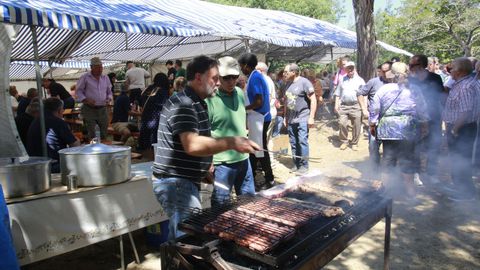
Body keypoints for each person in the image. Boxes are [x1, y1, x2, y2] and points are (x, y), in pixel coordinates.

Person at [152, 55, 260, 240]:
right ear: (198, 77)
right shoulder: (184, 103)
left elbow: (189, 145)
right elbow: (192, 144)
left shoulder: (197, 102)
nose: (218, 83)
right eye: (215, 78)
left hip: (184, 181)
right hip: (176, 184)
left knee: (182, 241)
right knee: (187, 242)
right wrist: (233, 142)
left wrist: (202, 168)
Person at [369, 62, 429, 198]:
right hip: (409, 129)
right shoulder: (414, 89)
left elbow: (374, 109)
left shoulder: (383, 89)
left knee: (388, 159)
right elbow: (422, 109)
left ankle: (385, 192)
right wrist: (425, 125)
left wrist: (372, 125)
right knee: (408, 158)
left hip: (388, 130)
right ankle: (410, 192)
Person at [206, 56, 255, 204]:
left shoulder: (240, 93)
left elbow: (241, 118)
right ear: (218, 76)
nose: (231, 81)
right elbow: (203, 132)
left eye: (234, 77)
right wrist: (208, 161)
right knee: (221, 206)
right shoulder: (209, 99)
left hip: (244, 159)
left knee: (249, 203)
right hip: (222, 164)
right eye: (227, 78)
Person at [442, 57, 480, 201]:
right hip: (466, 128)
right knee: (460, 160)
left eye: (453, 68)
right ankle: (461, 188)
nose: (450, 70)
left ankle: (465, 193)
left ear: (461, 71)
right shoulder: (469, 83)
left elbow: (465, 111)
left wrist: (454, 130)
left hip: (461, 129)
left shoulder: (465, 87)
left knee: (460, 160)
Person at [238, 53, 275, 190]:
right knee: (253, 150)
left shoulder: (255, 78)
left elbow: (259, 102)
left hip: (259, 118)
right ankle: (251, 177)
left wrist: (243, 108)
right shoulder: (254, 76)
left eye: (242, 67)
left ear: (247, 66)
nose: (241, 69)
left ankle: (270, 179)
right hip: (256, 117)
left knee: (260, 150)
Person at [409, 54, 445, 182]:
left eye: (413, 65)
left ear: (422, 65)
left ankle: (432, 173)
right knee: (415, 146)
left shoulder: (435, 78)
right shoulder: (410, 80)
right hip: (415, 118)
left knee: (434, 145)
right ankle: (416, 173)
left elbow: (441, 97)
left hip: (434, 116)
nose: (410, 67)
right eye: (410, 65)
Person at [27, 98, 81, 173]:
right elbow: (75, 145)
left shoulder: (36, 121)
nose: (63, 112)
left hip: (35, 164)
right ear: (59, 110)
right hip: (53, 165)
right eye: (62, 110)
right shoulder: (58, 122)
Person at [283, 63, 317, 174]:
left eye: (286, 72)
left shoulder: (304, 82)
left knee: (302, 141)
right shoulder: (287, 84)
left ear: (294, 72)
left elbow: (313, 99)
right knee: (293, 142)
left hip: (303, 117)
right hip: (291, 118)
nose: (284, 74)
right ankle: (296, 163)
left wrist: (311, 117)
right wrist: (285, 116)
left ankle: (304, 166)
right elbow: (286, 101)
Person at [358, 62, 391, 169]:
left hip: (391, 121)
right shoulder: (373, 82)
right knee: (373, 145)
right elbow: (360, 93)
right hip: (375, 120)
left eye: (387, 71)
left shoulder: (396, 83)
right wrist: (364, 109)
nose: (384, 73)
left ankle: (388, 170)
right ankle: (375, 168)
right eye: (382, 71)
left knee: (389, 147)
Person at [76, 57, 113, 140]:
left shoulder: (105, 77)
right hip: (89, 109)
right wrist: (86, 100)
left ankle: (103, 149)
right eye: (97, 68)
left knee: (104, 130)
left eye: (101, 67)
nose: (100, 70)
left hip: (103, 109)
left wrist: (109, 98)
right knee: (92, 132)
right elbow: (78, 91)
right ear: (91, 67)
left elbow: (109, 92)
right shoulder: (85, 77)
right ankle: (92, 149)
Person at [334, 61, 365, 150]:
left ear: (354, 68)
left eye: (352, 67)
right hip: (343, 106)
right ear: (345, 69)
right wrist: (336, 105)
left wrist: (364, 107)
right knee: (342, 123)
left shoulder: (360, 80)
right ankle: (344, 141)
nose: (350, 69)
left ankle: (354, 142)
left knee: (357, 124)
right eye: (348, 68)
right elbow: (337, 93)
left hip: (356, 106)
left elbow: (364, 94)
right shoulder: (342, 79)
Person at [138, 73, 170, 151]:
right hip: (155, 117)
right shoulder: (162, 90)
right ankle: (153, 151)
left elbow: (140, 100)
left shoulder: (148, 88)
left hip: (145, 115)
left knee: (145, 133)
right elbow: (164, 105)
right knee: (154, 135)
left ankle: (143, 149)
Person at [256, 62, 277, 167]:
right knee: (268, 139)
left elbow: (267, 98)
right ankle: (269, 161)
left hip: (267, 114)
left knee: (265, 139)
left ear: (260, 70)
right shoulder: (268, 79)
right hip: (270, 113)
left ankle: (269, 162)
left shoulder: (264, 80)